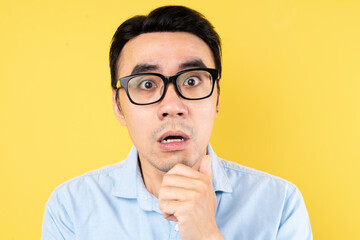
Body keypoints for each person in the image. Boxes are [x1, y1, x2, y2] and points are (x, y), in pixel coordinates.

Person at [41, 5, 312, 240]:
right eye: (146, 83)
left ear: (216, 99)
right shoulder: (71, 207)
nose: (172, 107)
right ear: (118, 106)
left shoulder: (280, 204)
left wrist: (207, 234)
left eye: (192, 81)